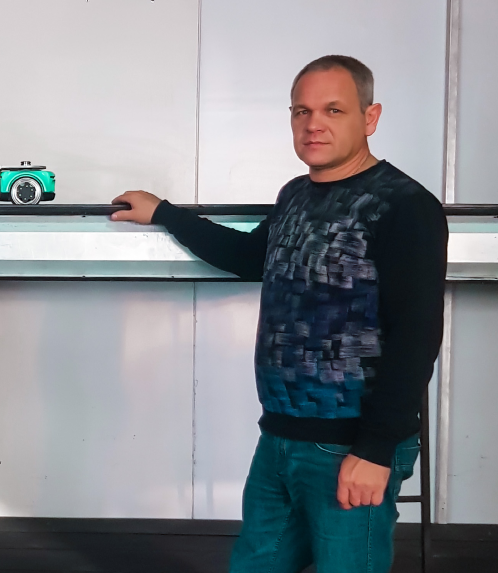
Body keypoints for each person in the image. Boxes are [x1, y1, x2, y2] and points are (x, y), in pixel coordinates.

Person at [113, 55, 447, 572]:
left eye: (333, 110)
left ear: (370, 117)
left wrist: (376, 450)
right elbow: (250, 257)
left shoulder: (404, 205)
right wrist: (164, 213)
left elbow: (417, 335)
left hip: (351, 445)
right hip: (280, 439)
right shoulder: (295, 194)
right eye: (301, 111)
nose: (314, 124)